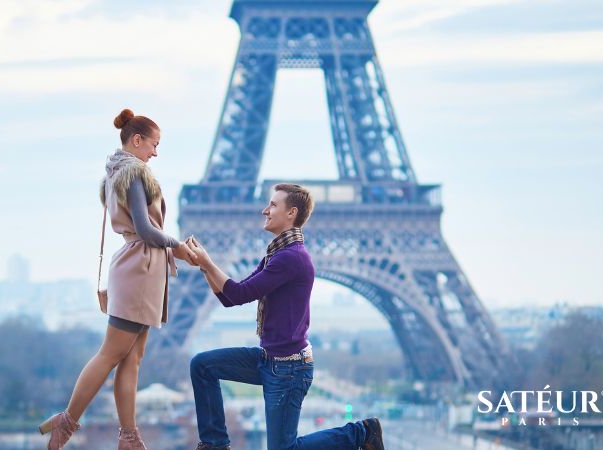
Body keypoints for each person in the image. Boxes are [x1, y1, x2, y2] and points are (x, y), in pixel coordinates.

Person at [39, 108, 198, 450]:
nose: (156, 152)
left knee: (132, 358)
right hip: (139, 269)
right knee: (111, 353)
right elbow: (144, 228)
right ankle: (66, 423)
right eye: (153, 144)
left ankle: (129, 437)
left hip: (141, 267)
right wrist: (179, 247)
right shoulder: (135, 172)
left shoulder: (118, 172)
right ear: (136, 140)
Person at [186, 183, 385, 450]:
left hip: (289, 369)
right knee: (202, 365)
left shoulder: (292, 258)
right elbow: (229, 297)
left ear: (291, 213)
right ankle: (215, 444)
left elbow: (240, 293)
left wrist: (208, 262)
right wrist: (203, 267)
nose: (264, 210)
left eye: (273, 205)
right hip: (269, 359)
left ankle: (361, 432)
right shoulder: (277, 254)